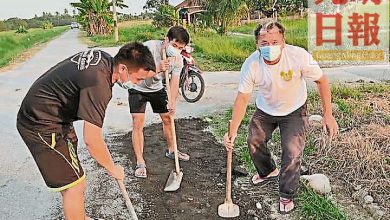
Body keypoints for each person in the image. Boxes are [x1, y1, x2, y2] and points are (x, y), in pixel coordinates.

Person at [16, 42, 156, 220]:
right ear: (123, 68)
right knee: (74, 185)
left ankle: (78, 215)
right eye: (138, 79)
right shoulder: (98, 83)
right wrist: (112, 168)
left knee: (73, 178)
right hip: (40, 123)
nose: (137, 84)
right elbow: (92, 140)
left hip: (57, 117)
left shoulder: (105, 60)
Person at [223, 21, 339, 214]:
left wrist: (328, 114)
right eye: (264, 43)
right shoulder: (251, 64)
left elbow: (322, 80)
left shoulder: (298, 56)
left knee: (292, 151)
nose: (270, 47)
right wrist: (232, 131)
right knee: (254, 140)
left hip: (294, 109)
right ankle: (268, 172)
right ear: (257, 45)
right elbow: (242, 99)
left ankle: (286, 194)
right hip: (265, 109)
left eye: (275, 41)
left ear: (283, 41)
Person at [128, 26, 190, 178]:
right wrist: (157, 68)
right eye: (174, 45)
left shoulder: (178, 59)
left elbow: (174, 82)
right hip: (137, 87)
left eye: (180, 48)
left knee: (168, 118)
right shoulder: (148, 49)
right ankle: (140, 162)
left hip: (156, 89)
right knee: (138, 122)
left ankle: (172, 150)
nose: (176, 50)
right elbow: (137, 73)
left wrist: (172, 102)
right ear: (166, 39)